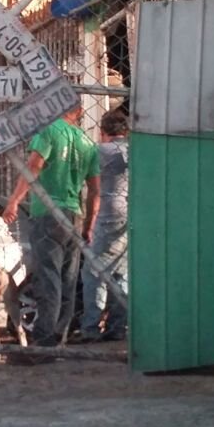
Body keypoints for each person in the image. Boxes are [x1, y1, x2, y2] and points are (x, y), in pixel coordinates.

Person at [2, 106, 100, 358]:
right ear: (79, 112)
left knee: (48, 278)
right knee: (68, 279)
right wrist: (89, 224)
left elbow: (34, 167)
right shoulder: (88, 142)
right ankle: (59, 338)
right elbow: (95, 189)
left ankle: (43, 342)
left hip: (48, 212)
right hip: (74, 214)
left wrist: (14, 200)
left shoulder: (48, 131)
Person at [81, 108, 129, 342]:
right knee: (121, 271)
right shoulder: (134, 151)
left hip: (108, 212)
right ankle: (117, 326)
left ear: (102, 131)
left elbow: (93, 189)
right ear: (125, 131)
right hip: (131, 213)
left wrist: (88, 225)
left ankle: (91, 326)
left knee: (94, 271)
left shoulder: (99, 151)